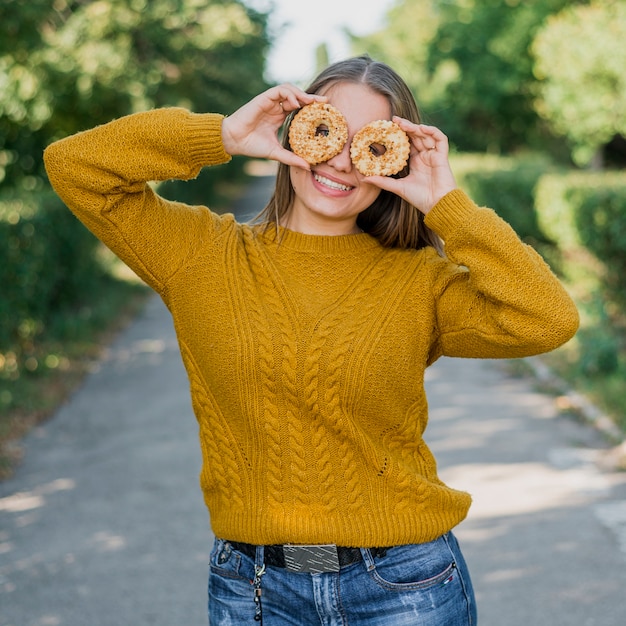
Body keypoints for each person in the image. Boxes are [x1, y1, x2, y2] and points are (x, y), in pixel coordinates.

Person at [44, 55, 579, 625]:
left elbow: (547, 318)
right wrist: (220, 135)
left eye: (368, 145)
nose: (342, 162)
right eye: (328, 131)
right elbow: (74, 165)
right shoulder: (200, 255)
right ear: (296, 128)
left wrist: (447, 206)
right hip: (251, 590)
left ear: (394, 161)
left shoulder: (420, 282)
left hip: (406, 585)